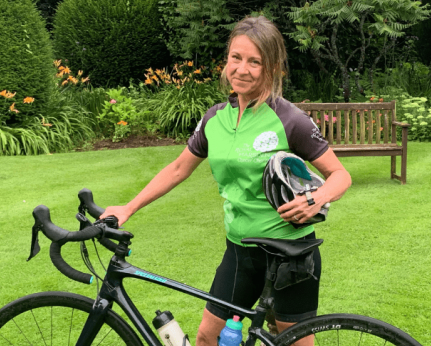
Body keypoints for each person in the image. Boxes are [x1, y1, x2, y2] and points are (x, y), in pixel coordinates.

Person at [100, 15, 351, 346]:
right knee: (207, 337)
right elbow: (178, 169)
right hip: (240, 251)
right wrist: (129, 207)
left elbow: (340, 175)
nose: (242, 69)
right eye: (236, 58)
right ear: (226, 60)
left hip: (291, 255)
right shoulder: (214, 119)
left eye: (254, 62)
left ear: (272, 68)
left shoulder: (289, 120)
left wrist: (315, 199)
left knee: (295, 342)